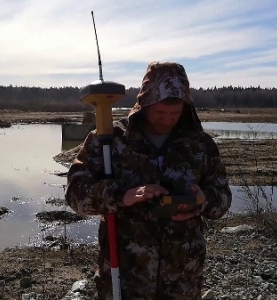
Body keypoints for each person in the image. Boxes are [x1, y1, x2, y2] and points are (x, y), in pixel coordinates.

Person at [66, 61, 232, 299]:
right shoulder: (108, 140)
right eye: (161, 113)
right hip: (124, 278)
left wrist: (203, 200)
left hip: (182, 281)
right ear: (144, 104)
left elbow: (223, 197)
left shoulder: (200, 144)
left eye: (175, 113)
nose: (167, 120)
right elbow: (75, 194)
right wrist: (120, 196)